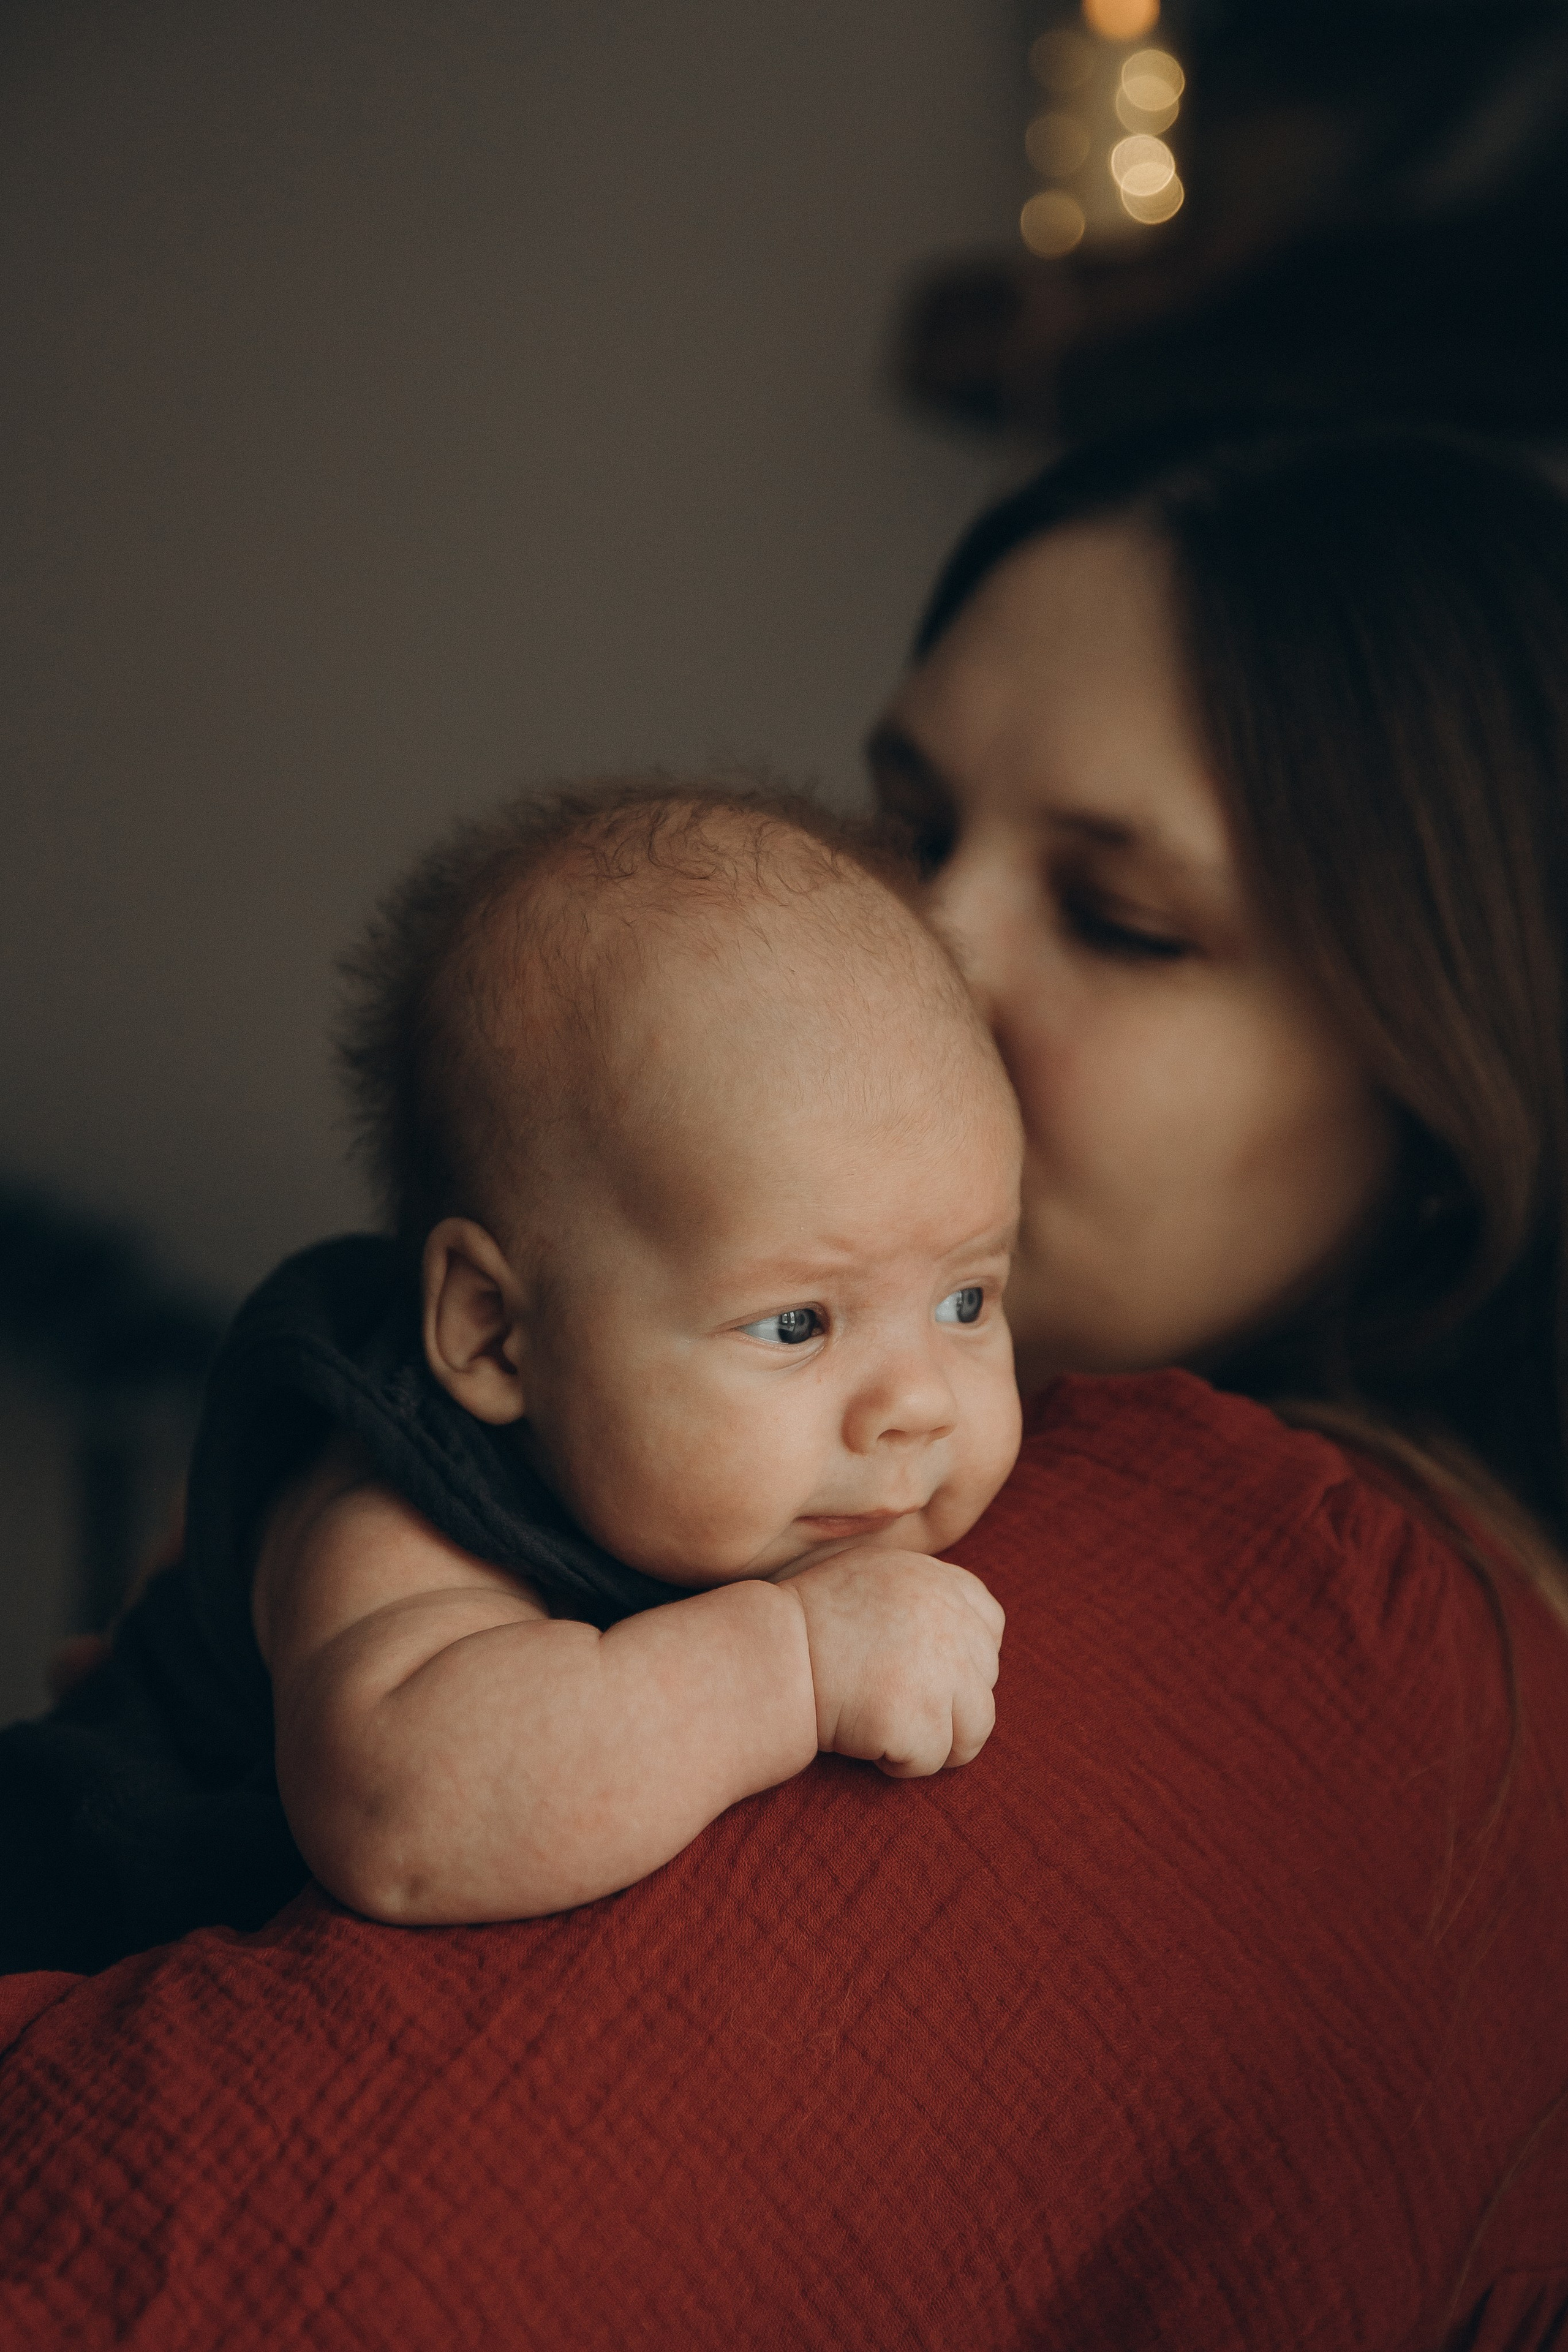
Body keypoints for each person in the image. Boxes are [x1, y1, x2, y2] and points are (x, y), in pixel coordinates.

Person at [2, 421, 1566, 2350]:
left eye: (1121, 919)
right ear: (490, 1333)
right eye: (906, 830)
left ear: (1447, 1089)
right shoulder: (457, 1463)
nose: (926, 961)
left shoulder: (1298, 1612)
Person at [0, 783, 1019, 1962]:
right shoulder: (391, 1511)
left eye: (965, 1300)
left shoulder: (784, 1472)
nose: (917, 1405)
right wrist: (795, 1664)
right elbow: (404, 1818)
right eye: (796, 1324)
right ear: (494, 1335)